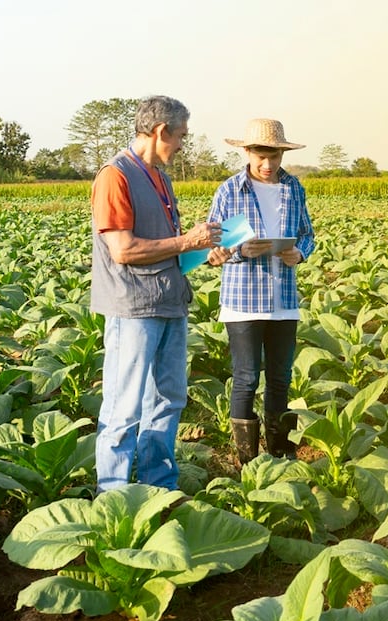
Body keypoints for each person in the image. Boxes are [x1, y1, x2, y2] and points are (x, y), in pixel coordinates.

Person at [90, 95, 222, 492]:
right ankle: (112, 495)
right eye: (180, 136)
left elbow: (168, 245)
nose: (182, 144)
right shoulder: (115, 176)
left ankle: (158, 489)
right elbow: (124, 250)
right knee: (123, 406)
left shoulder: (160, 178)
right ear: (161, 131)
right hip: (133, 308)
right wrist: (186, 242)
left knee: (167, 399)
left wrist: (204, 248)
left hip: (169, 302)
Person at [206, 118, 315, 463]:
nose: (268, 165)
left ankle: (280, 452)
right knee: (247, 378)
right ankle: (247, 460)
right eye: (261, 157)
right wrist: (239, 251)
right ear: (247, 152)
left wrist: (299, 253)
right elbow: (212, 245)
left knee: (281, 378)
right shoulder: (229, 190)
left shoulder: (293, 188)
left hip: (283, 299)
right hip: (243, 300)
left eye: (275, 157)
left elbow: (307, 234)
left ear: (282, 154)